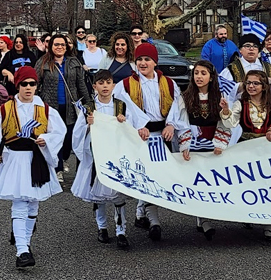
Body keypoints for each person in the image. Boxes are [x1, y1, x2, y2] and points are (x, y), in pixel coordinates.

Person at [0, 66, 66, 268]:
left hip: (37, 160)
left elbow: (58, 132)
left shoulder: (46, 110)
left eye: (32, 84)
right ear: (17, 85)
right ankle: (22, 251)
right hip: (14, 159)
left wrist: (45, 139)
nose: (28, 88)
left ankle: (25, 242)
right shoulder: (4, 109)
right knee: (20, 202)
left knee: (33, 203)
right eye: (24, 84)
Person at [113, 42, 184, 241]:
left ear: (155, 62)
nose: (143, 63)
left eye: (147, 59)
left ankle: (144, 214)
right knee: (144, 175)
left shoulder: (168, 83)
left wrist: (171, 124)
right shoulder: (125, 84)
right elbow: (119, 109)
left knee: (158, 176)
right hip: (140, 135)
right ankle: (152, 220)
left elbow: (177, 106)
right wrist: (136, 126)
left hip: (162, 134)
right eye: (140, 60)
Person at [72, 69, 150, 249]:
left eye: (108, 83)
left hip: (117, 154)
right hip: (97, 154)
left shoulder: (121, 105)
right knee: (98, 195)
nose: (105, 86)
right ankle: (102, 227)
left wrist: (124, 122)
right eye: (101, 83)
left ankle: (121, 230)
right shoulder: (88, 107)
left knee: (117, 195)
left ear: (113, 85)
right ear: (95, 86)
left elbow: (134, 127)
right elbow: (77, 133)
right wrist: (88, 125)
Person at [178, 60, 234, 240]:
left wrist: (220, 142)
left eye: (203, 73)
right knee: (198, 182)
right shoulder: (185, 97)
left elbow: (226, 123)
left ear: (211, 77)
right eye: (196, 73)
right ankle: (203, 219)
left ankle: (210, 215)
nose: (199, 77)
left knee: (213, 182)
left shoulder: (220, 96)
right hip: (195, 144)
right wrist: (186, 143)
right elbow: (181, 122)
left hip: (213, 145)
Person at [220, 70, 271, 242]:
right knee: (249, 183)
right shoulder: (242, 103)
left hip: (266, 148)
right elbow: (231, 122)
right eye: (248, 83)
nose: (251, 86)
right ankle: (249, 214)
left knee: (267, 184)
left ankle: (267, 223)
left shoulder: (270, 103)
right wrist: (226, 110)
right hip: (247, 147)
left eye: (255, 83)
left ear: (264, 86)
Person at [35, 34, 90, 182]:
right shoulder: (43, 62)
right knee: (55, 137)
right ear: (51, 46)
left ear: (66, 47)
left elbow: (81, 85)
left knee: (68, 139)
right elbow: (35, 83)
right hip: (50, 107)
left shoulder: (73, 62)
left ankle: (64, 158)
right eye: (56, 44)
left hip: (70, 107)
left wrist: (89, 103)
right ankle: (57, 169)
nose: (60, 47)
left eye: (62, 45)